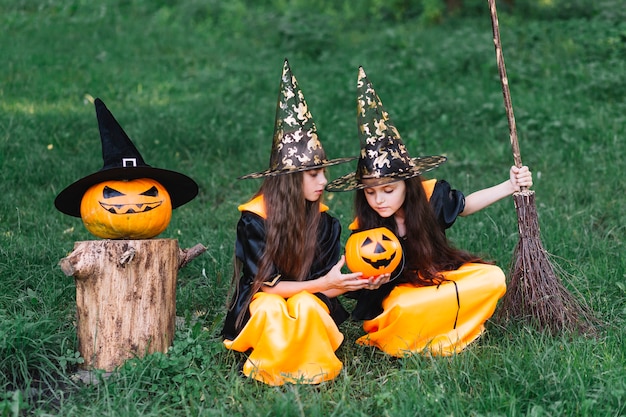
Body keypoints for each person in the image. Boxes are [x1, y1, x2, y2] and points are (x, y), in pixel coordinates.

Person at [325, 67, 533, 357]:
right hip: (404, 292)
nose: (379, 200)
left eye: (388, 190)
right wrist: (373, 284)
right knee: (403, 308)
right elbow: (361, 280)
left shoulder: (431, 196)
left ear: (407, 185)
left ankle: (448, 326)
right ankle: (422, 332)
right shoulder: (366, 229)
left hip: (438, 276)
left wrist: (509, 185)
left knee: (492, 278)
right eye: (370, 193)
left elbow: (467, 206)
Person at [221, 60, 389, 385]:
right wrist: (323, 285)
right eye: (314, 174)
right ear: (288, 180)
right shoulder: (255, 220)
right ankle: (272, 368)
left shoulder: (325, 223)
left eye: (323, 172)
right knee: (272, 309)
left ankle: (313, 368)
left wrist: (357, 282)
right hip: (263, 296)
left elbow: (324, 281)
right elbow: (265, 284)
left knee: (306, 306)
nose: (324, 181)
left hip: (309, 295)